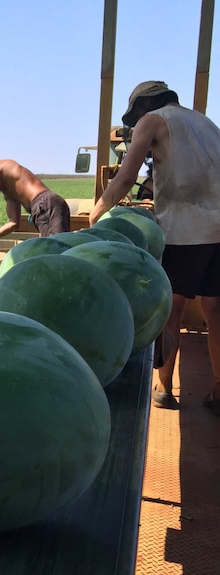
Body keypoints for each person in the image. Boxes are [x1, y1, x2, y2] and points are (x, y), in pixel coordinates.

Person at [89, 80, 220, 414]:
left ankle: (164, 388)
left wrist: (98, 211)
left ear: (146, 106)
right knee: (215, 310)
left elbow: (125, 176)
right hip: (217, 228)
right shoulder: (205, 122)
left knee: (170, 308)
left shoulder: (153, 120)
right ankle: (219, 390)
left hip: (184, 231)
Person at [0, 152, 71, 242]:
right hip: (49, 204)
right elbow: (13, 223)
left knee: (55, 249)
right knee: (58, 246)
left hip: (44, 204)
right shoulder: (10, 189)